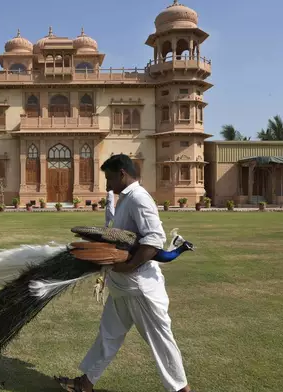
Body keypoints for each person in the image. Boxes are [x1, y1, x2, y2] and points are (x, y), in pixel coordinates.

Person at [55, 154, 192, 392]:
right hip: (123, 285)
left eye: (108, 178)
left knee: (161, 341)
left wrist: (128, 267)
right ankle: (85, 384)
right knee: (108, 335)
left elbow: (154, 240)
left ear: (122, 174)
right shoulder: (125, 199)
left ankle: (182, 390)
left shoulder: (139, 198)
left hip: (139, 287)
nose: (107, 185)